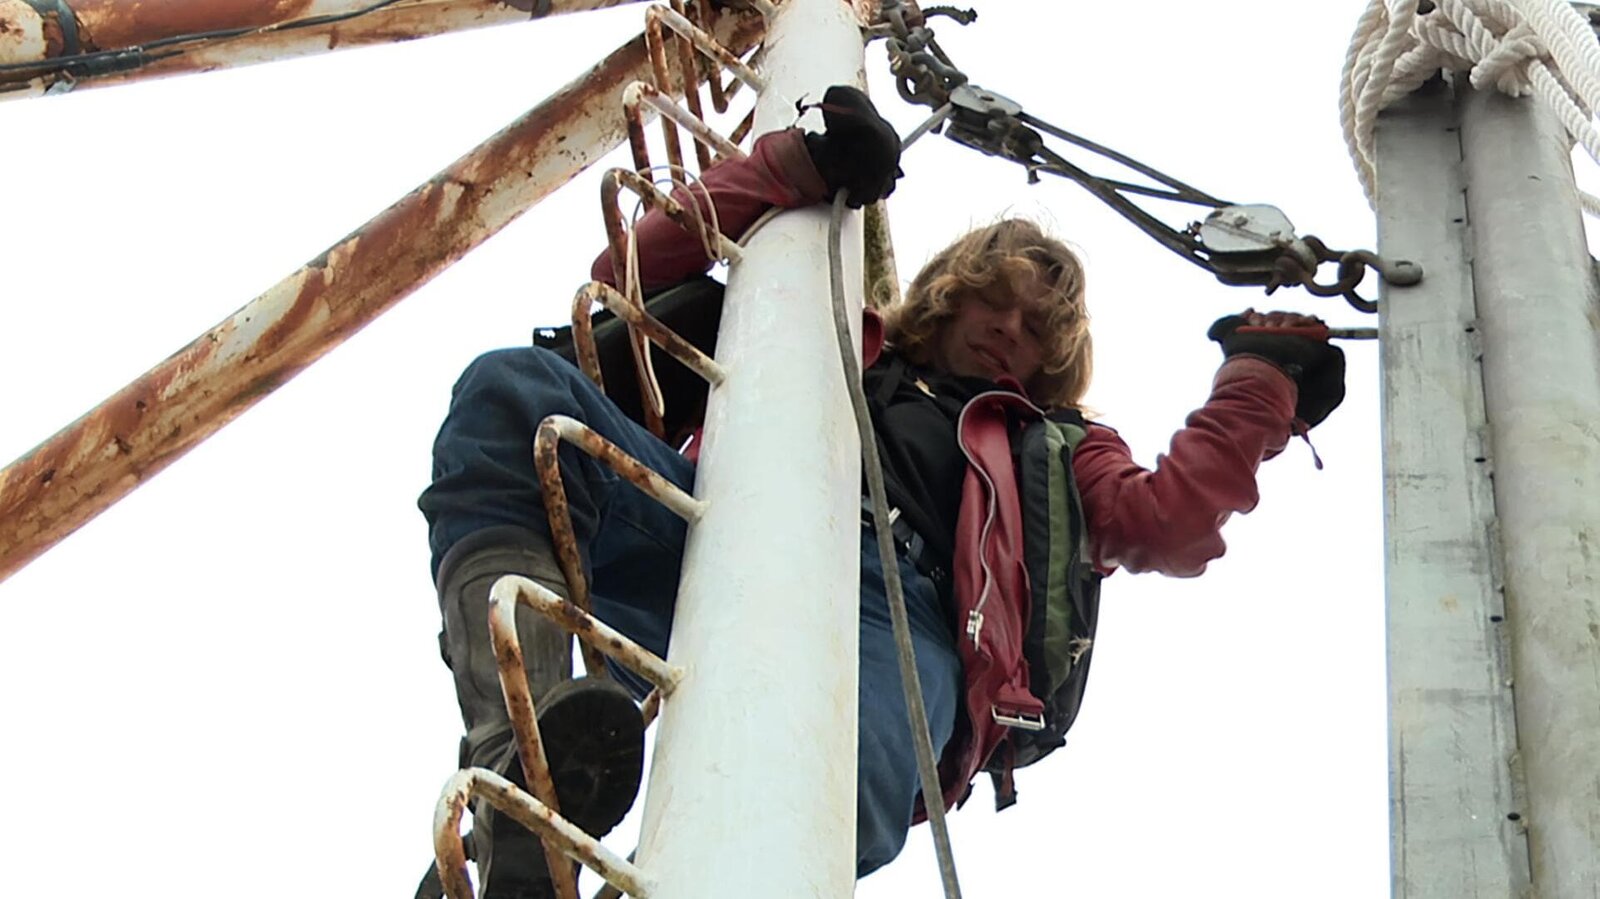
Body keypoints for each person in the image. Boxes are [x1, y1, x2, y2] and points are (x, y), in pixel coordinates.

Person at [417, 86, 1346, 897]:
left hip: (904, 611)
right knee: (513, 396)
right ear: (953, 290)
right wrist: (799, 166)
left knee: (824, 790)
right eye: (996, 297)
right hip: (725, 519)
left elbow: (1168, 523)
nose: (1010, 327)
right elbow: (632, 272)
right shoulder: (812, 317)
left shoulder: (1057, 446)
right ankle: (522, 774)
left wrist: (1261, 381)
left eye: (1037, 326)